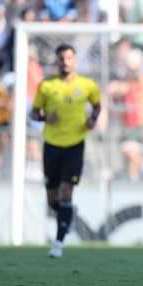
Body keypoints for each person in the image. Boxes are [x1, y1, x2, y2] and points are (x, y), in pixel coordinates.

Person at [31, 44, 101, 258]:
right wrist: (45, 118)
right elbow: (34, 113)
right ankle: (67, 214)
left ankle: (58, 243)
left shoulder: (87, 85)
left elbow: (97, 105)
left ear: (74, 60)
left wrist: (92, 120)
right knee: (53, 198)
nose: (65, 62)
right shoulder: (46, 86)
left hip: (75, 145)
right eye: (62, 58)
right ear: (57, 60)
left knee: (66, 192)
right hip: (52, 145)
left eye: (69, 58)